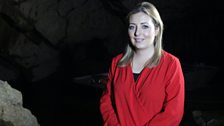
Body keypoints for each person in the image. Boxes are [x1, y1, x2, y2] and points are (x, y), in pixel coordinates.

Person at [99, 1, 185, 126]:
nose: (137, 33)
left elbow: (173, 113)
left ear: (156, 30)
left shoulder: (171, 64)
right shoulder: (117, 63)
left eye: (144, 26)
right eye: (132, 26)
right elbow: (106, 102)